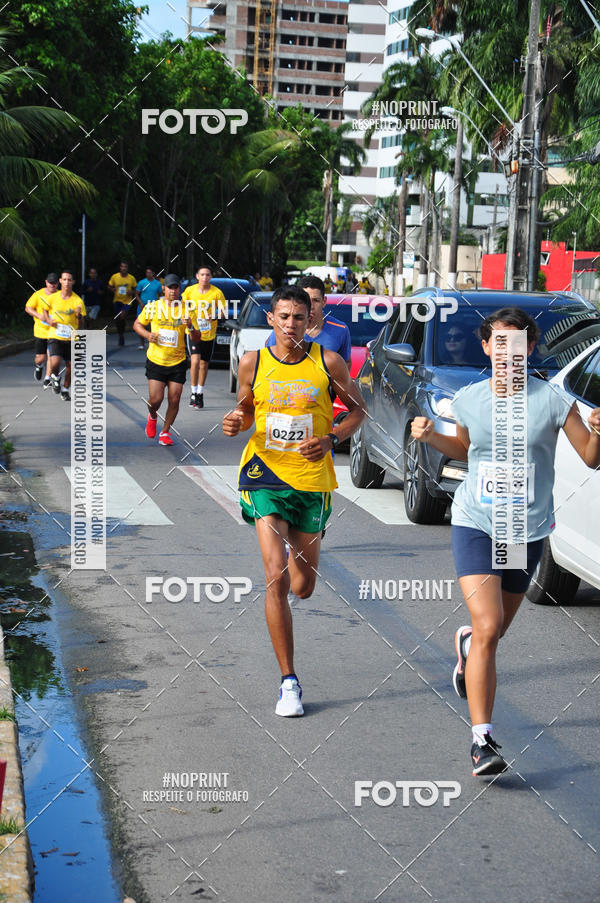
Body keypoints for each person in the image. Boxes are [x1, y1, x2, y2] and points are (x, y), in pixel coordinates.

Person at [411, 306, 600, 776]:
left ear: (530, 348)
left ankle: (468, 646)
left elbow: (591, 458)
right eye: (499, 342)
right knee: (492, 625)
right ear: (486, 347)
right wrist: (434, 436)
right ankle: (483, 741)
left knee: (491, 634)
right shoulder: (471, 398)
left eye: (517, 343)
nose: (508, 351)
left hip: (524, 528)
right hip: (476, 520)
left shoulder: (554, 400)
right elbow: (466, 448)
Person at [222, 285, 366, 716]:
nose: (290, 325)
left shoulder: (329, 363)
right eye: (283, 317)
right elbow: (246, 410)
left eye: (298, 318)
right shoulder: (254, 362)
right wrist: (236, 421)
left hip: (311, 482)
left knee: (303, 586)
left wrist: (331, 438)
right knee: (275, 576)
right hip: (263, 476)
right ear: (271, 320)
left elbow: (358, 410)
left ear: (310, 321)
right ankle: (289, 682)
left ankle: (300, 554)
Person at [133, 274, 201, 446]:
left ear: (180, 289)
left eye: (176, 287)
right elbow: (137, 325)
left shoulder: (187, 309)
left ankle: (165, 432)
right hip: (156, 360)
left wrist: (190, 326)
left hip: (177, 361)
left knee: (175, 398)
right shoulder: (153, 307)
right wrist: (148, 335)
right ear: (164, 289)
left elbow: (197, 338)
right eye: (170, 287)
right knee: (155, 400)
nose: (173, 291)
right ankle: (153, 415)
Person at [265, 275, 351, 369]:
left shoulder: (340, 330)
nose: (311, 306)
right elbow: (270, 362)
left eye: (316, 300)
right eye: (306, 300)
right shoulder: (285, 330)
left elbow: (345, 363)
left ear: (324, 301)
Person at [181, 265, 227, 408]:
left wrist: (214, 316)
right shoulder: (189, 291)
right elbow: (181, 306)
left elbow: (224, 312)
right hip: (193, 331)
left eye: (207, 275)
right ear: (197, 276)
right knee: (195, 361)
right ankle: (193, 392)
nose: (205, 277)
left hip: (209, 334)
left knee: (204, 364)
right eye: (202, 274)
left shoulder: (217, 293)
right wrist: (185, 317)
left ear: (211, 277)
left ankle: (200, 393)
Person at [41, 270, 86, 401]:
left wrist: (78, 315)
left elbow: (81, 325)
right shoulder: (53, 298)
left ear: (73, 282)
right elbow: (44, 309)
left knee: (71, 366)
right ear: (60, 281)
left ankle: (65, 389)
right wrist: (49, 321)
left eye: (69, 280)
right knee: (55, 363)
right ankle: (56, 377)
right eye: (64, 279)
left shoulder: (77, 301)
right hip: (55, 335)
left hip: (71, 337)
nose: (66, 282)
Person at [25, 273, 59, 385]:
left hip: (54, 331)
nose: (52, 285)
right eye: (50, 283)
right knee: (40, 357)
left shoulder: (60, 295)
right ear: (46, 282)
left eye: (54, 283)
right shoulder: (38, 294)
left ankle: (47, 378)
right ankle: (39, 366)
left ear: (58, 283)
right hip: (41, 331)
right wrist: (39, 315)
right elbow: (28, 308)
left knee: (51, 356)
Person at [108, 261, 137, 346]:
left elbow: (136, 289)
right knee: (118, 319)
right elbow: (109, 286)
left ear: (127, 268)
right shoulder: (115, 277)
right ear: (120, 268)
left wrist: (131, 292)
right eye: (122, 267)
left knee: (122, 315)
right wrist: (112, 289)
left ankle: (121, 333)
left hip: (127, 301)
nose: (124, 268)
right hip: (117, 300)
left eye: (125, 267)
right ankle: (121, 335)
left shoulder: (131, 278)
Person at [135, 267, 162, 349]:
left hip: (153, 306)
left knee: (152, 325)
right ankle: (142, 343)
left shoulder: (157, 283)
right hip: (142, 306)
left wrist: (158, 303)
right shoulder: (142, 282)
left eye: (150, 272)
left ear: (153, 273)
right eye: (147, 272)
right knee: (141, 324)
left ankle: (152, 342)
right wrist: (140, 303)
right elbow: (136, 294)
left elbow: (160, 294)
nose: (148, 274)